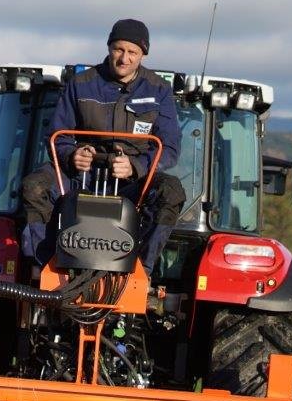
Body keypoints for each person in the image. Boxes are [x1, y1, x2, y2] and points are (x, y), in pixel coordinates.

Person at [21, 18, 185, 271]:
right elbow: (57, 136)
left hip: (133, 185)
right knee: (35, 187)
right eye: (119, 49)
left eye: (133, 52)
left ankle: (140, 269)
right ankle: (45, 266)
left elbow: (170, 148)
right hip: (80, 178)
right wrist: (72, 155)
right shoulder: (81, 83)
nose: (124, 58)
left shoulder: (158, 89)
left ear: (143, 54)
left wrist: (135, 166)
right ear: (109, 47)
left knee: (170, 191)